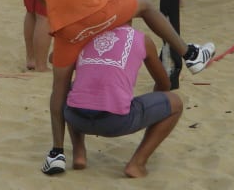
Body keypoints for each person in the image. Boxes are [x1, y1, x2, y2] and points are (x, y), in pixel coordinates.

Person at [17, 0, 215, 175]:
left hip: (65, 28)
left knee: (59, 88)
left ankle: (58, 152)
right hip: (95, 11)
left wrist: (61, 15)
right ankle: (190, 53)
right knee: (145, 6)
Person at [64, 25, 184, 178]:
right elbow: (164, 84)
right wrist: (154, 111)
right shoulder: (142, 39)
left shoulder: (85, 33)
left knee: (69, 88)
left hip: (75, 117)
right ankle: (137, 164)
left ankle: (79, 152)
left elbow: (54, 58)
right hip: (117, 122)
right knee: (175, 102)